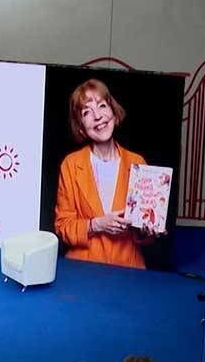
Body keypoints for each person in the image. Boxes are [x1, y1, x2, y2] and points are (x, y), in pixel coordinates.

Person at [54, 79, 162, 269]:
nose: (98, 116)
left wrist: (148, 229)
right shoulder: (70, 165)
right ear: (80, 127)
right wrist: (96, 224)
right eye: (86, 112)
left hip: (128, 269)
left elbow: (145, 236)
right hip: (83, 269)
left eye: (102, 105)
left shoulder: (137, 163)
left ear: (113, 112)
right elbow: (62, 227)